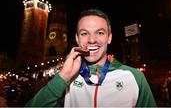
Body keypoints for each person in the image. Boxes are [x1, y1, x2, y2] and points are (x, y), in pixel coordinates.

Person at [25, 8, 156, 107]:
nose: (92, 40)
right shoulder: (66, 81)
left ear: (109, 37)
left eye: (100, 32)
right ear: (77, 39)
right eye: (84, 33)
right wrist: (63, 77)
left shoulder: (135, 77)